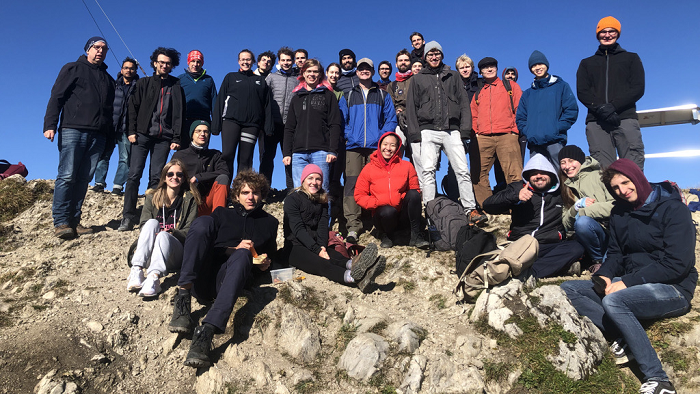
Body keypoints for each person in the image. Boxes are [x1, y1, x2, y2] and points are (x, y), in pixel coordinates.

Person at [561, 159, 696, 394]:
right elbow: (615, 254)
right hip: (634, 284)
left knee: (615, 300)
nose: (622, 190)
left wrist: (626, 282)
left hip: (673, 288)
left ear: (638, 178)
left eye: (626, 182)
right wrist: (605, 275)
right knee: (570, 288)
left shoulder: (673, 210)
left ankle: (659, 380)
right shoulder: (619, 213)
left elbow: (677, 264)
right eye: (615, 187)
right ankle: (624, 337)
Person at [168, 171, 278, 368]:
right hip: (204, 276)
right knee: (202, 222)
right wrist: (232, 250)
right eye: (245, 192)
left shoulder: (270, 223)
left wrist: (263, 264)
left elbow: (268, 258)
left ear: (262, 195)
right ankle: (183, 297)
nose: (250, 197)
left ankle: (206, 333)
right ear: (236, 195)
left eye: (255, 193)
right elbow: (205, 247)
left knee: (244, 254)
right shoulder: (221, 214)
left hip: (230, 281)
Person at [405, 41, 485, 225]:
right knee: (427, 171)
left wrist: (465, 130)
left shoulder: (453, 76)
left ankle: (470, 209)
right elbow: (411, 108)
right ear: (425, 57)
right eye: (430, 54)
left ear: (441, 55)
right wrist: (415, 134)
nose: (434, 57)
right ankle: (431, 213)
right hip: (427, 131)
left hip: (452, 130)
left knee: (462, 170)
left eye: (437, 54)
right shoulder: (417, 79)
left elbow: (464, 104)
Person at [44, 36, 115, 239]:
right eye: (96, 47)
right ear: (87, 50)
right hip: (73, 129)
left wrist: (108, 138)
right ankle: (61, 222)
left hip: (98, 135)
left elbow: (110, 112)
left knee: (84, 179)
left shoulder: (108, 79)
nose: (100, 51)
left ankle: (75, 221)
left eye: (104, 48)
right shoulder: (73, 68)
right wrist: (50, 124)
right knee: (67, 176)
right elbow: (56, 96)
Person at [284, 164, 385, 292]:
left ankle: (355, 265)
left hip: (316, 244)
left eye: (318, 179)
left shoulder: (323, 201)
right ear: (303, 180)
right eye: (310, 178)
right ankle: (355, 278)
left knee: (336, 256)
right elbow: (298, 229)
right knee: (322, 264)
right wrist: (317, 250)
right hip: (295, 248)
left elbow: (322, 227)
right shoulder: (292, 200)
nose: (314, 182)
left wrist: (322, 246)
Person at [482, 153, 584, 278]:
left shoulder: (560, 192)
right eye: (534, 173)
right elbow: (488, 205)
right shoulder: (518, 188)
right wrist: (515, 197)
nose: (539, 176)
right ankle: (556, 267)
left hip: (549, 245)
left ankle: (531, 273)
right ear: (528, 176)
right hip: (520, 244)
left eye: (543, 172)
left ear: (551, 175)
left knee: (576, 247)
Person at [119, 47, 186, 232]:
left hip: (164, 139)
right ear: (155, 63)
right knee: (133, 176)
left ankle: (148, 218)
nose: (164, 65)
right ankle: (128, 216)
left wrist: (176, 137)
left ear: (172, 66)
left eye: (168, 63)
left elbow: (179, 114)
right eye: (161, 62)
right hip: (141, 135)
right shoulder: (144, 83)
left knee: (156, 178)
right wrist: (131, 131)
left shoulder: (176, 85)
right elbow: (132, 108)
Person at [339, 58, 398, 243]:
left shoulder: (382, 95)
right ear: (356, 72)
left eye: (368, 69)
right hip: (353, 147)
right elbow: (341, 121)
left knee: (376, 186)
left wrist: (380, 138)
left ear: (373, 72)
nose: (364, 71)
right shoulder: (348, 95)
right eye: (361, 69)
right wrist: (350, 135)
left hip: (375, 147)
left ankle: (377, 224)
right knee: (352, 185)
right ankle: (353, 226)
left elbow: (391, 120)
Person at [577, 16, 645, 170]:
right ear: (598, 35)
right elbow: (583, 92)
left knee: (633, 167)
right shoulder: (586, 63)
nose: (607, 35)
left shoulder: (631, 58)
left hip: (625, 118)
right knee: (603, 170)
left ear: (618, 34)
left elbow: (638, 88)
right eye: (603, 32)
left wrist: (613, 106)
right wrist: (601, 109)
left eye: (612, 31)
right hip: (596, 121)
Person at [126, 159, 201, 297]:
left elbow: (190, 230)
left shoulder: (190, 200)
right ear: (164, 177)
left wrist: (172, 232)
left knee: (164, 235)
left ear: (184, 178)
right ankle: (137, 270)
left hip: (174, 254)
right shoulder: (151, 197)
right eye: (170, 174)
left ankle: (153, 278)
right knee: (151, 223)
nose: (175, 177)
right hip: (150, 252)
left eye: (179, 174)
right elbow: (143, 225)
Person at [355, 132, 427, 248]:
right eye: (385, 144)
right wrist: (377, 202)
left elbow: (415, 189)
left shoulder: (407, 166)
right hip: (382, 215)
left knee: (414, 194)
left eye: (392, 145)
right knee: (388, 211)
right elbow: (359, 195)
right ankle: (386, 235)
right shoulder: (368, 169)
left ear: (398, 147)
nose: (388, 148)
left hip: (402, 214)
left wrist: (399, 198)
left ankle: (416, 236)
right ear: (379, 146)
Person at [470, 56, 523, 207]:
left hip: (507, 135)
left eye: (492, 66)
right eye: (485, 67)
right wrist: (476, 133)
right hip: (483, 138)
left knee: (514, 174)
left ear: (497, 68)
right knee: (477, 174)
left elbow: (520, 108)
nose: (489, 69)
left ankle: (517, 209)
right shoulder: (478, 92)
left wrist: (515, 130)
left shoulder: (509, 86)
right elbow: (473, 114)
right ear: (480, 71)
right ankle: (488, 209)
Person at [283, 59, 342, 193]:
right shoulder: (296, 98)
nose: (312, 74)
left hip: (321, 152)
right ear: (303, 74)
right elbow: (289, 127)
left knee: (322, 192)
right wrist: (287, 152)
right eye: (309, 71)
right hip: (298, 153)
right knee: (299, 192)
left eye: (315, 71)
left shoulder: (328, 95)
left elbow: (334, 124)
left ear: (320, 74)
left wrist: (332, 150)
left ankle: (324, 215)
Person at [212, 49, 273, 177]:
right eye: (243, 59)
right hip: (231, 122)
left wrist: (268, 127)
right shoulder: (230, 77)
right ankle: (225, 189)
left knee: (245, 159)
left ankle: (240, 193)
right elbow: (220, 100)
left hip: (251, 125)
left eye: (248, 59)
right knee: (227, 155)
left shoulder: (260, 81)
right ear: (239, 61)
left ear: (253, 62)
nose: (245, 62)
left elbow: (267, 106)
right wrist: (216, 125)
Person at [516, 50, 578, 170]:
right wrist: (529, 132)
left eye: (540, 64)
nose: (537, 68)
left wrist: (556, 128)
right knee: (539, 177)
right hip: (534, 143)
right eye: (533, 66)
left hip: (555, 140)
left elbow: (571, 110)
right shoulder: (528, 94)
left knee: (561, 173)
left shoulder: (561, 86)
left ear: (546, 65)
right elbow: (520, 117)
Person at [559, 145, 614, 272]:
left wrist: (586, 211)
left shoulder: (601, 176)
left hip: (610, 232)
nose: (567, 166)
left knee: (583, 221)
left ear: (581, 161)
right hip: (586, 235)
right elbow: (566, 224)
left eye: (571, 160)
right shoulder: (565, 186)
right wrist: (576, 207)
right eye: (563, 162)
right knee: (582, 223)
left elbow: (615, 205)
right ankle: (598, 261)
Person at [93, 57, 138, 195]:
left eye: (131, 68)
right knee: (103, 155)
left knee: (125, 158)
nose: (128, 70)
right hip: (111, 126)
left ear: (135, 70)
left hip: (127, 128)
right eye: (126, 67)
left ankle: (118, 186)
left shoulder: (139, 87)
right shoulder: (113, 84)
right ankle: (99, 183)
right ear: (121, 69)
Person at [172, 121, 230, 216]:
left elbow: (225, 172)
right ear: (192, 134)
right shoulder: (179, 155)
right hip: (187, 201)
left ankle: (218, 220)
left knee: (223, 178)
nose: (202, 134)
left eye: (206, 131)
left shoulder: (216, 155)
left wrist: (199, 177)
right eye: (198, 131)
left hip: (208, 201)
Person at [262, 47, 299, 189]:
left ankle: (291, 190)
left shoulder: (297, 80)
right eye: (283, 60)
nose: (286, 63)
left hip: (289, 126)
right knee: (267, 157)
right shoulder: (271, 77)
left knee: (289, 158)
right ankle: (264, 189)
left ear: (293, 61)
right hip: (272, 124)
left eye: (289, 60)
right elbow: (263, 98)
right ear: (279, 61)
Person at [177, 50, 218, 148]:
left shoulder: (209, 80)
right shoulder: (180, 79)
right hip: (185, 121)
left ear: (202, 63)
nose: (195, 64)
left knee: (201, 152)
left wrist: (215, 124)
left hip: (203, 121)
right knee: (183, 152)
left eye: (198, 61)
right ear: (188, 62)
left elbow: (214, 102)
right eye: (193, 61)